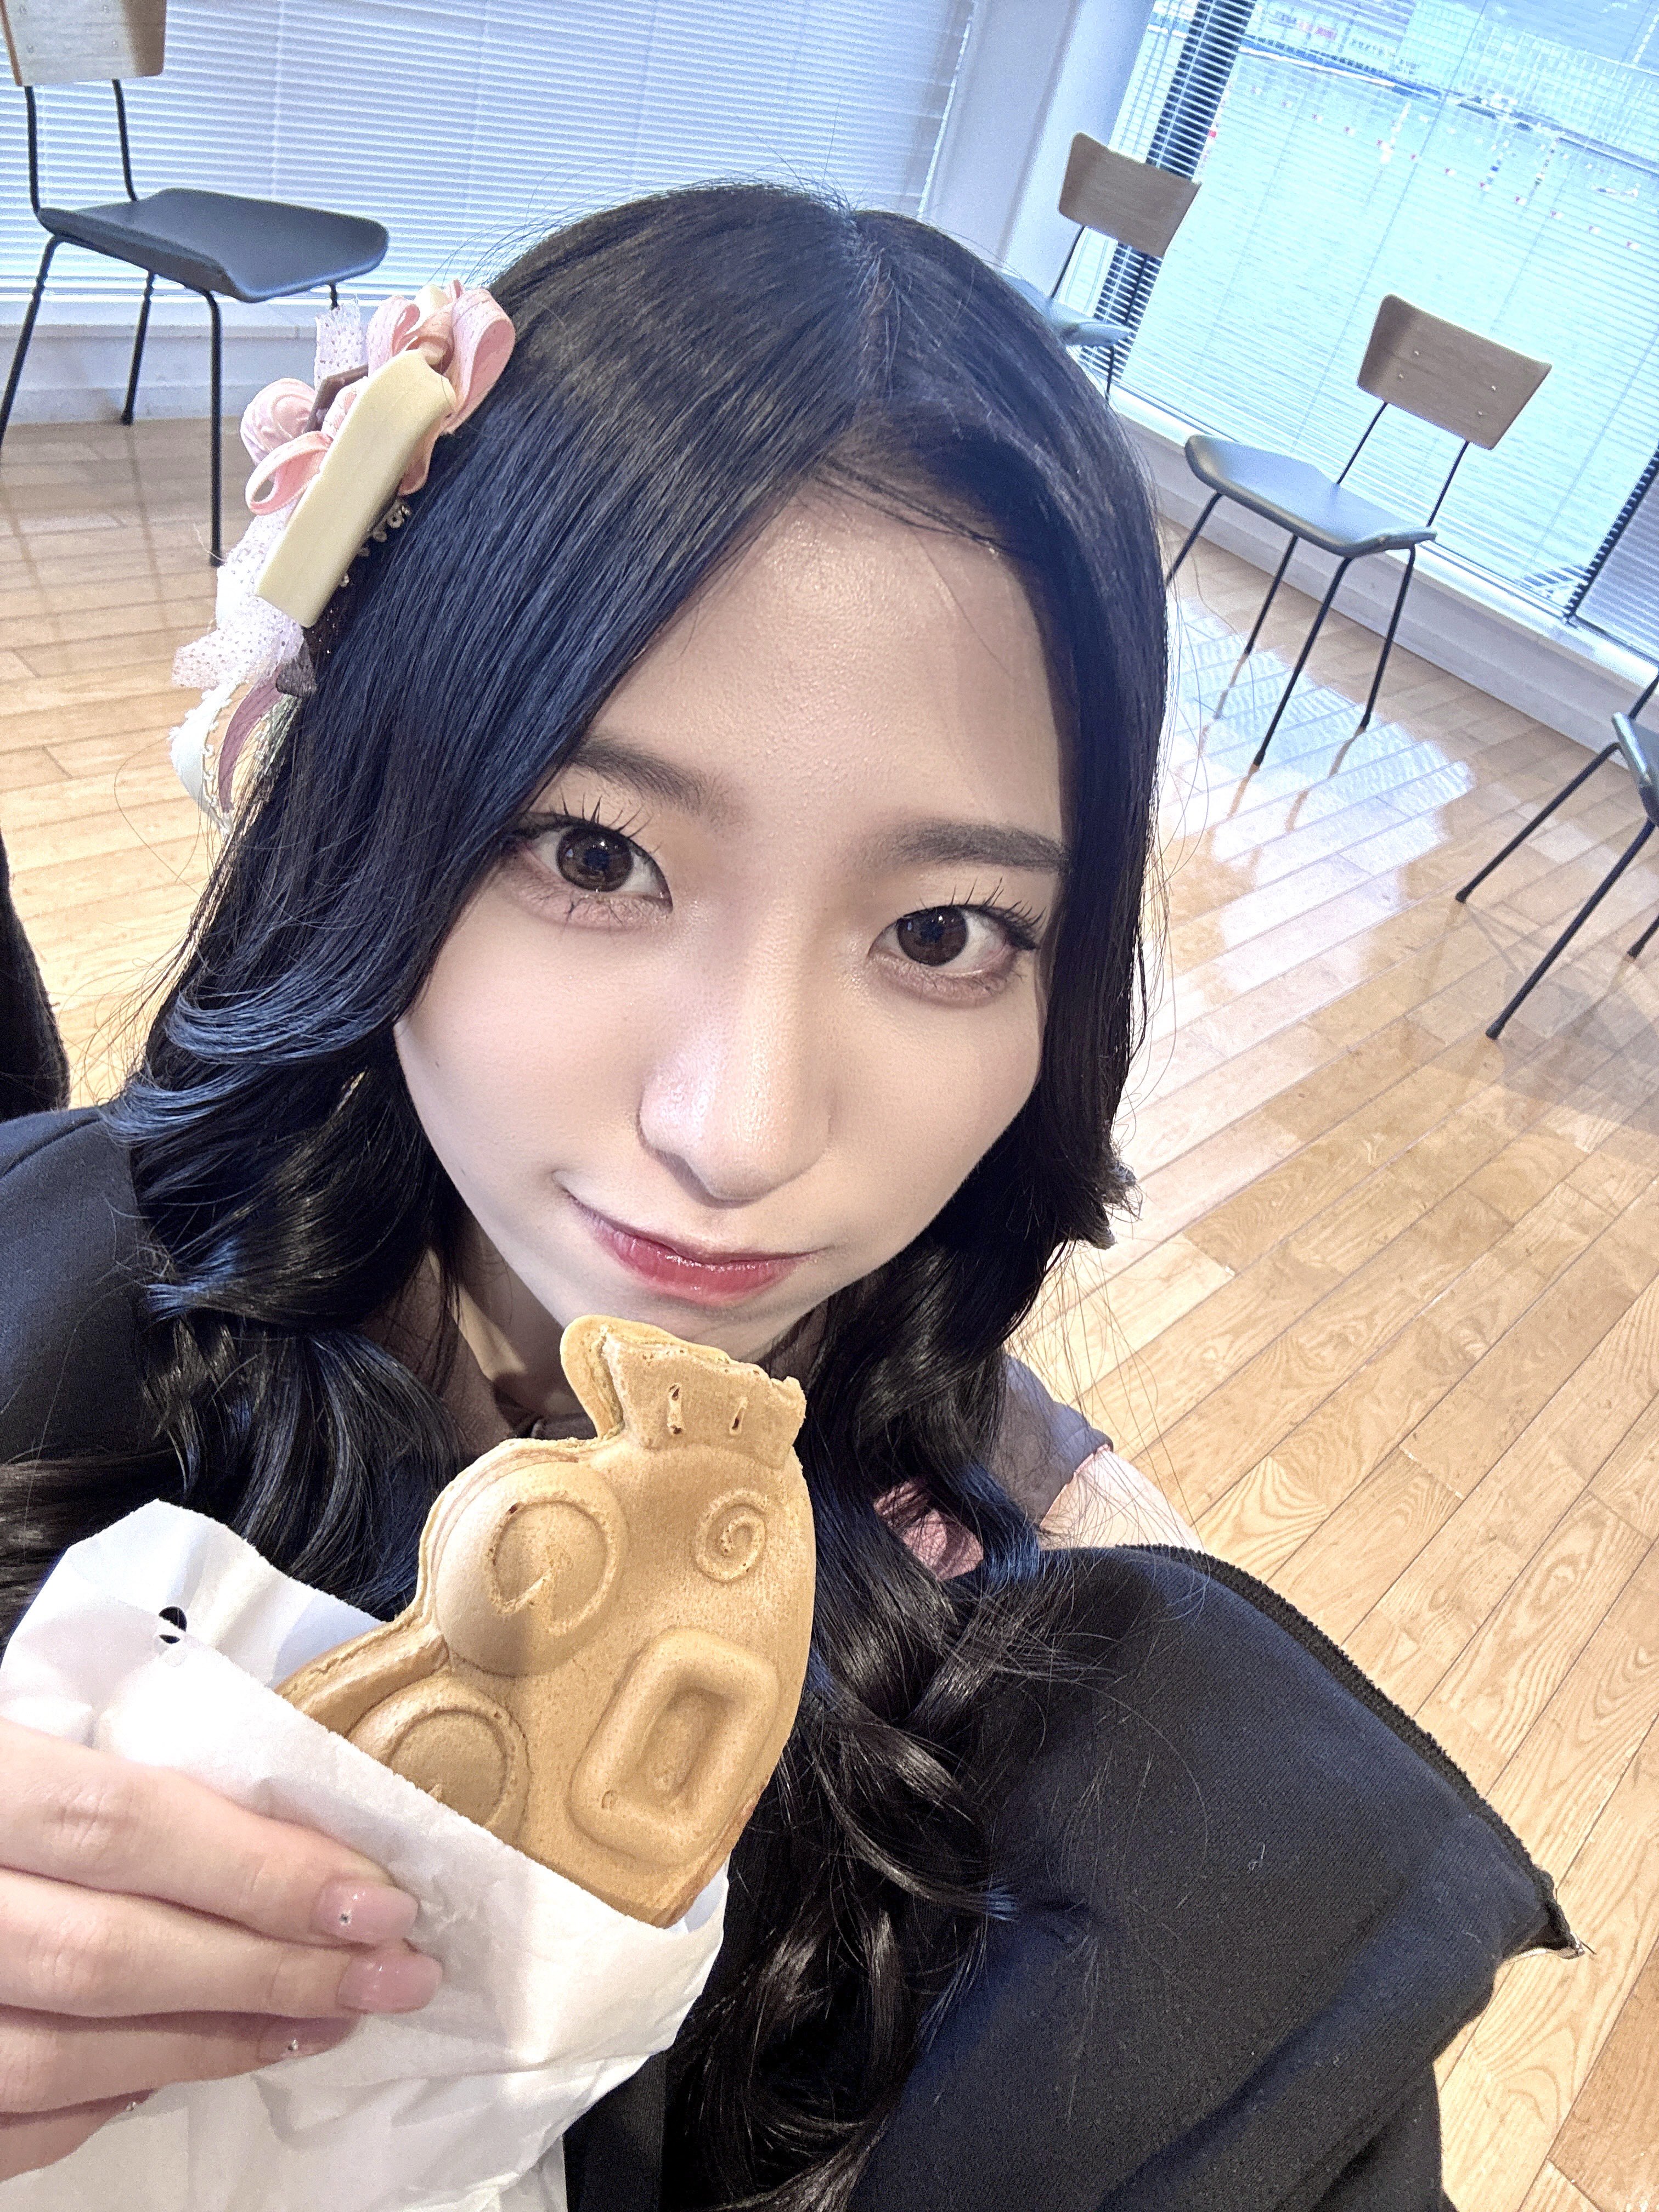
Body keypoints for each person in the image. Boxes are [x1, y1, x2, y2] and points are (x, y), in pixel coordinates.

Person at [0, 184, 1572, 2209]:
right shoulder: (44, 1304)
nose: (738, 1133)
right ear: (366, 795)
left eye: (942, 929)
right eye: (594, 853)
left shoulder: (1155, 1866)